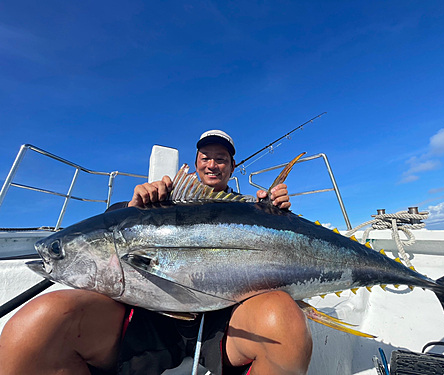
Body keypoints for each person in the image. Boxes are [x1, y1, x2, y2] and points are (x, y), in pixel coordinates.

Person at [0, 130, 312, 375]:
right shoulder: (158, 199)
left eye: (221, 158)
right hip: (145, 320)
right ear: (197, 162)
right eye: (206, 157)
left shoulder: (250, 208)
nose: (212, 164)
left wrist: (273, 210)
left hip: (228, 321)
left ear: (232, 167)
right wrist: (131, 208)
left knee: (287, 326)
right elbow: (117, 228)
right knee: (35, 326)